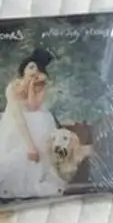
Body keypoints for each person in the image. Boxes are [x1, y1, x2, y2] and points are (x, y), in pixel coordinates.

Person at [0, 50, 67, 200]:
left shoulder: (39, 85)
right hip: (16, 124)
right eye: (30, 67)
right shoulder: (13, 87)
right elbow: (18, 117)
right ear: (23, 69)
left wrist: (32, 86)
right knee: (30, 125)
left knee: (39, 117)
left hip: (33, 121)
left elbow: (32, 106)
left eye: (37, 70)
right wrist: (30, 146)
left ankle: (36, 172)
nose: (33, 71)